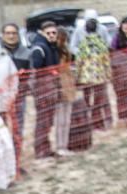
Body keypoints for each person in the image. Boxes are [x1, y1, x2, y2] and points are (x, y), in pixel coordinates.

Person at [29, 20, 61, 159]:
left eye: (54, 32)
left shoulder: (52, 46)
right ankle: (40, 150)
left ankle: (46, 148)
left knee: (48, 121)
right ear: (43, 33)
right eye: (48, 33)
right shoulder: (39, 48)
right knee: (43, 120)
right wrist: (48, 74)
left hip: (51, 88)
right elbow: (36, 68)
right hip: (43, 90)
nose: (52, 35)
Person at [1, 22, 32, 161]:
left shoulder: (26, 52)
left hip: (20, 96)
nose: (11, 36)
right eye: (8, 33)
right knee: (2, 129)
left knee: (18, 128)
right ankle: (5, 159)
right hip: (1, 97)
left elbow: (33, 74)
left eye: (14, 33)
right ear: (3, 35)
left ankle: (17, 159)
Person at [76, 18, 112, 130]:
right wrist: (108, 75)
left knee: (87, 101)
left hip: (85, 77)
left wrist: (77, 77)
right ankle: (98, 123)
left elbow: (79, 61)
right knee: (98, 100)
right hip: (99, 77)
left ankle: (88, 123)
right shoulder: (101, 43)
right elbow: (106, 60)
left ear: (85, 29)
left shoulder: (83, 44)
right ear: (97, 29)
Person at [53, 27, 76, 157]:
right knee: (60, 120)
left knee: (66, 119)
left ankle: (64, 145)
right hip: (61, 86)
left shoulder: (66, 51)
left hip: (68, 85)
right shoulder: (55, 53)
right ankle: (59, 145)